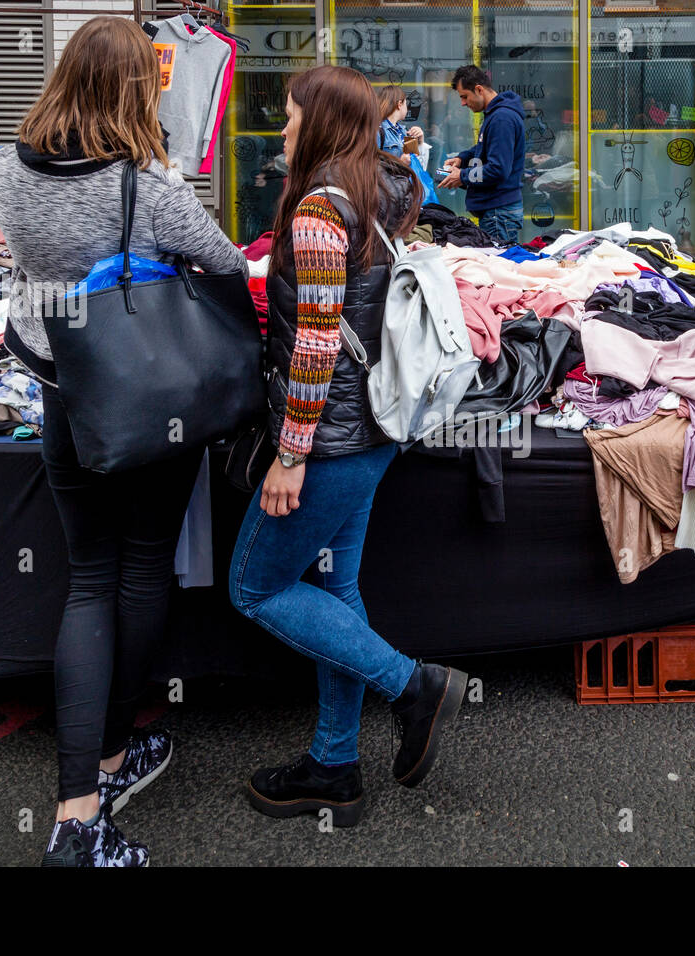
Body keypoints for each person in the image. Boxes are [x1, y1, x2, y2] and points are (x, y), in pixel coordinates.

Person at [0, 16, 247, 866]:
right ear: (140, 89)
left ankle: (79, 805)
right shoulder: (148, 183)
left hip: (62, 392)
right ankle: (100, 775)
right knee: (140, 573)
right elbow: (229, 263)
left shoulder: (1, 171)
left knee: (86, 579)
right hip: (145, 404)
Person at [230, 65, 468, 828]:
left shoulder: (318, 211)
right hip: (371, 434)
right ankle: (334, 767)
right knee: (335, 591)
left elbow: (317, 347)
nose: (283, 127)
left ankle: (412, 686)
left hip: (328, 442)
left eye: (292, 114)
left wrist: (289, 455)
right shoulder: (385, 189)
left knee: (255, 587)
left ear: (323, 120)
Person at [438, 64, 525, 244]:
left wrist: (462, 176)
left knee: (499, 267)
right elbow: (485, 148)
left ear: (479, 89)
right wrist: (462, 159)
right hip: (497, 213)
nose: (463, 103)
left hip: (498, 214)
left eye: (465, 96)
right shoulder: (496, 115)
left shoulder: (502, 118)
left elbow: (498, 169)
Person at [376, 84, 423, 158]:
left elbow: (415, 162)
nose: (407, 107)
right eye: (405, 103)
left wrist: (419, 141)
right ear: (399, 104)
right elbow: (370, 165)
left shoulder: (404, 130)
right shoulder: (377, 131)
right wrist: (401, 163)